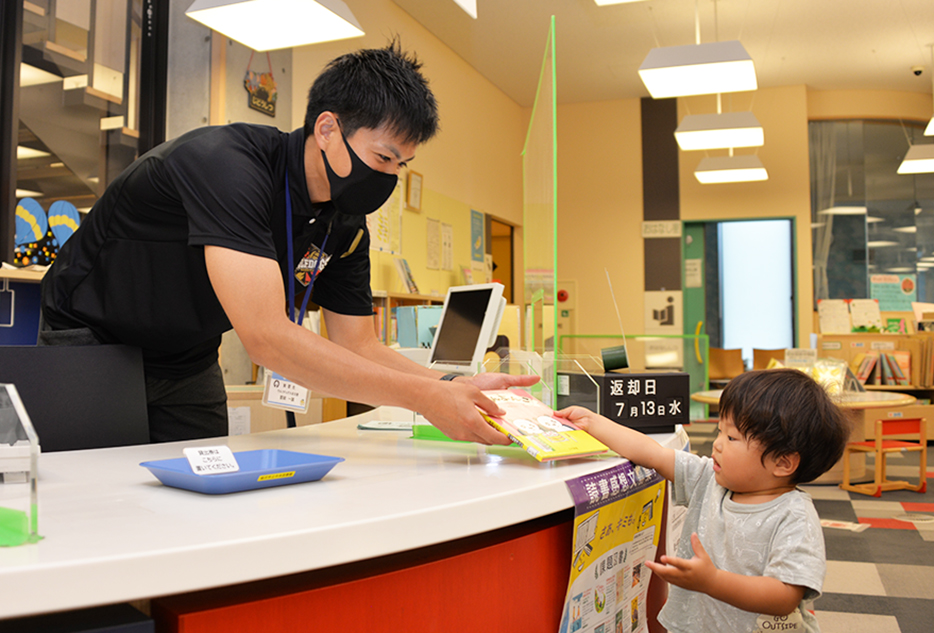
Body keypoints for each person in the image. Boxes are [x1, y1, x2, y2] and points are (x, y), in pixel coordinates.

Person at [39, 41, 535, 444]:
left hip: (186, 355)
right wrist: (423, 399)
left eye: (400, 165)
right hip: (93, 341)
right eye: (383, 158)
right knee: (93, 503)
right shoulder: (226, 167)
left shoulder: (345, 222)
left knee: (199, 509)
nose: (389, 177)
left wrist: (450, 386)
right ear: (327, 129)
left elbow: (357, 342)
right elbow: (266, 338)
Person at [560, 369, 850, 633]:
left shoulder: (794, 516)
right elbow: (654, 455)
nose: (717, 443)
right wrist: (594, 422)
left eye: (733, 438)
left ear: (783, 463)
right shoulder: (709, 479)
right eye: (719, 431)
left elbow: (784, 595)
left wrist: (712, 581)